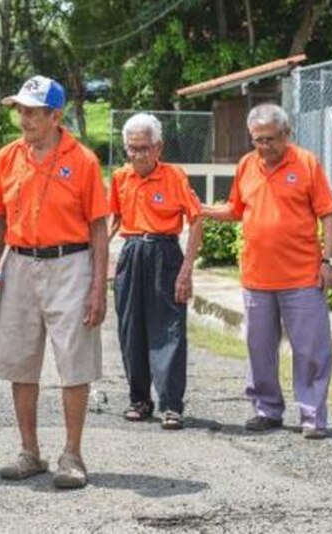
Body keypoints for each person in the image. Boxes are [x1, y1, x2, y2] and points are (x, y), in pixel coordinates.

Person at [0, 75, 109, 489]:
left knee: (74, 360)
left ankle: (72, 453)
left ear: (56, 116)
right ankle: (29, 451)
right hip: (19, 262)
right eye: (20, 110)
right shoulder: (5, 158)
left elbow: (98, 229)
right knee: (21, 359)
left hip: (70, 264)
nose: (24, 119)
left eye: (33, 112)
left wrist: (98, 287)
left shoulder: (84, 160)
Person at [203, 103, 332, 440]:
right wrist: (203, 209)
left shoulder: (306, 163)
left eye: (270, 139)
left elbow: (328, 215)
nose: (264, 146)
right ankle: (266, 410)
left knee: (310, 350)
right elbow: (235, 209)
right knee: (258, 348)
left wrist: (329, 262)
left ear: (286, 134)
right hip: (256, 278)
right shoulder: (247, 165)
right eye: (257, 140)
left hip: (302, 277)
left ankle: (312, 416)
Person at [109, 113, 203, 430]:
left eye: (144, 148)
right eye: (132, 149)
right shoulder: (121, 178)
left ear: (158, 147)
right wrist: (95, 260)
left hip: (165, 252)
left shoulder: (175, 176)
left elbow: (197, 219)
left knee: (169, 329)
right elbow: (112, 221)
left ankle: (171, 405)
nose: (138, 155)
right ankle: (140, 400)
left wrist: (186, 271)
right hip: (132, 253)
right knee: (130, 328)